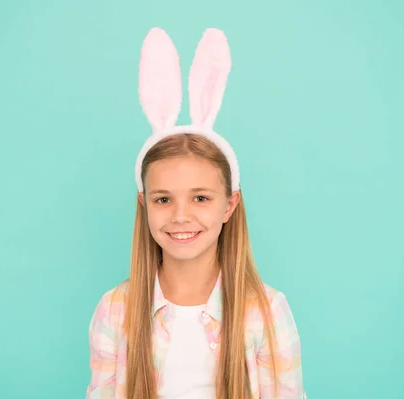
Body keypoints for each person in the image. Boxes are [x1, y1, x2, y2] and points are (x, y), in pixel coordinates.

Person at [86, 27, 307, 399]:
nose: (181, 216)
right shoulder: (115, 311)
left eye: (200, 198)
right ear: (144, 204)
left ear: (230, 205)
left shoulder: (267, 312)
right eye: (163, 199)